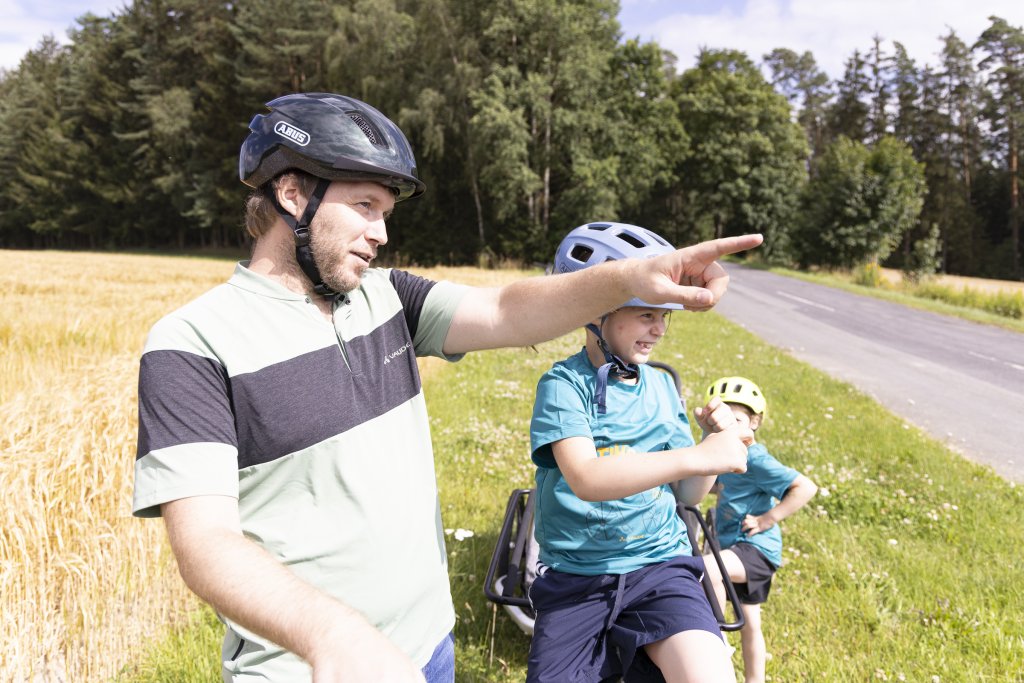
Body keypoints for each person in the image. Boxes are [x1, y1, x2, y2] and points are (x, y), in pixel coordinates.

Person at [131, 92, 762, 683]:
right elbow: (205, 545)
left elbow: (512, 311)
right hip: (314, 663)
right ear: (292, 193)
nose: (381, 233)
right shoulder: (192, 343)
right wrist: (331, 634)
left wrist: (632, 277)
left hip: (429, 647)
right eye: (365, 207)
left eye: (387, 213)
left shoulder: (386, 297)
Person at [526, 222, 755, 683]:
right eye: (648, 313)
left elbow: (688, 494)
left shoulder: (661, 387)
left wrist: (712, 445)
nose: (660, 329)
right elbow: (588, 478)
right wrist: (699, 456)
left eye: (665, 317)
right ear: (597, 310)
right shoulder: (563, 386)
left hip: (660, 567)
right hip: (576, 578)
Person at [701, 376, 818, 683]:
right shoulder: (725, 453)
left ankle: (716, 640)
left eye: (736, 419)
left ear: (753, 422)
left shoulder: (755, 456)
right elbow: (725, 487)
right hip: (732, 545)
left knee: (708, 568)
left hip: (756, 549)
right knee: (751, 623)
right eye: (722, 418)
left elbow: (804, 487)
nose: (728, 426)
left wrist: (767, 519)